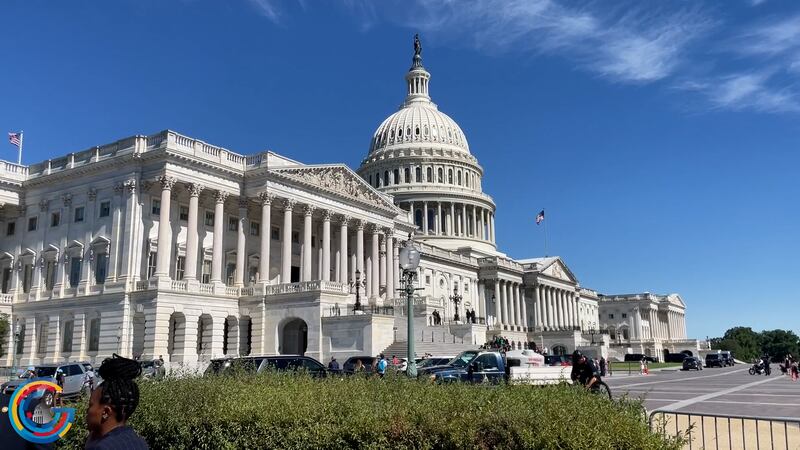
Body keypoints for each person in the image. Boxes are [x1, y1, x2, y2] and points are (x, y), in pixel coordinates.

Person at [85, 353, 149, 449]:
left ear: (106, 412)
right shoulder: (140, 443)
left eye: (91, 405)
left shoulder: (101, 447)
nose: (87, 411)